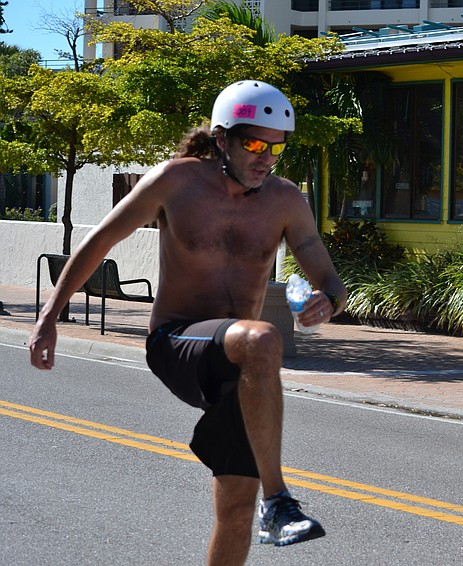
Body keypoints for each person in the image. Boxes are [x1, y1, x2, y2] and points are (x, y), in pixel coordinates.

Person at [28, 80, 347, 564]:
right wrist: (49, 316)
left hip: (241, 370)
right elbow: (99, 240)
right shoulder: (175, 182)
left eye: (277, 148)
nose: (266, 158)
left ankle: (263, 506)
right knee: (262, 336)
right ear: (222, 139)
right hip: (176, 341)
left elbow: (328, 279)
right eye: (255, 143)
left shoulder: (284, 200)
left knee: (236, 507)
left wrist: (327, 301)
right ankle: (280, 501)